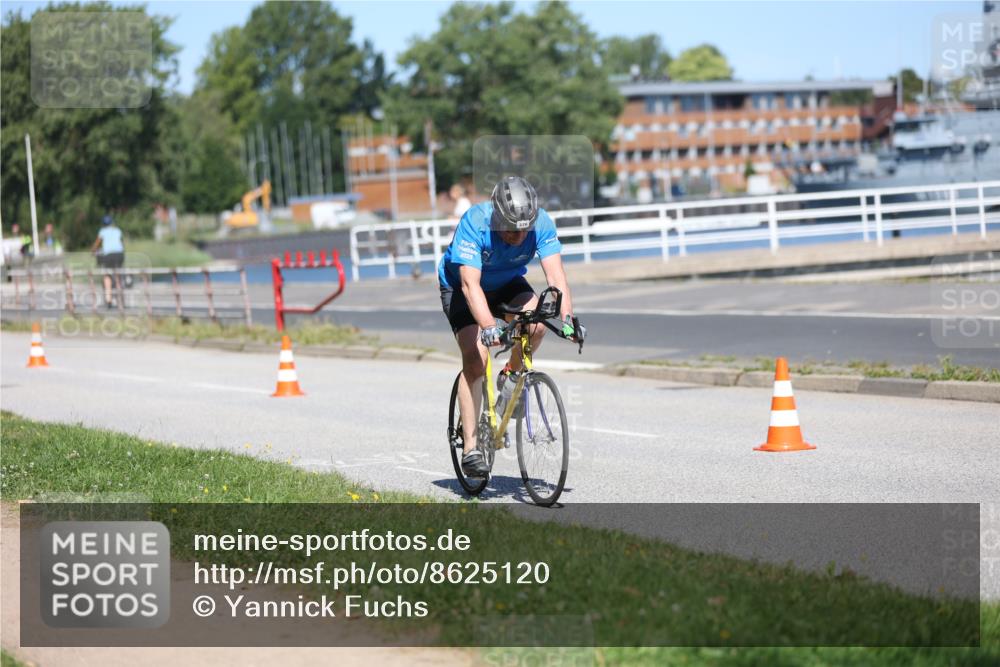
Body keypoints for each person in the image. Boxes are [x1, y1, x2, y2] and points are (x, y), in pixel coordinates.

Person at [437, 176, 582, 478]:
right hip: (462, 287)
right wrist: (489, 326)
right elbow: (470, 285)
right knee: (477, 357)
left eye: (524, 228)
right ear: (497, 216)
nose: (518, 235)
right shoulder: (475, 222)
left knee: (538, 324)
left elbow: (557, 280)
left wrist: (568, 320)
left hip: (506, 282)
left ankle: (511, 377)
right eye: (510, 228)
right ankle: (471, 448)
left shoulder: (541, 223)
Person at [91, 215, 125, 308]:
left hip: (108, 255)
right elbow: (121, 243)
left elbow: (97, 244)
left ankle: (108, 300)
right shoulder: (118, 230)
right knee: (118, 276)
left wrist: (93, 251)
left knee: (107, 276)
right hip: (119, 254)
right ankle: (120, 300)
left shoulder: (102, 231)